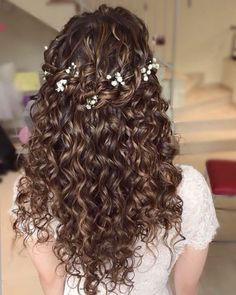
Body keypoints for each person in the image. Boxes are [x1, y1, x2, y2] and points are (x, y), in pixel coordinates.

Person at [9, 5, 219, 295]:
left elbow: (52, 284)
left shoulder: (35, 191)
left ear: (60, 106)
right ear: (146, 98)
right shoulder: (188, 189)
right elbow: (187, 287)